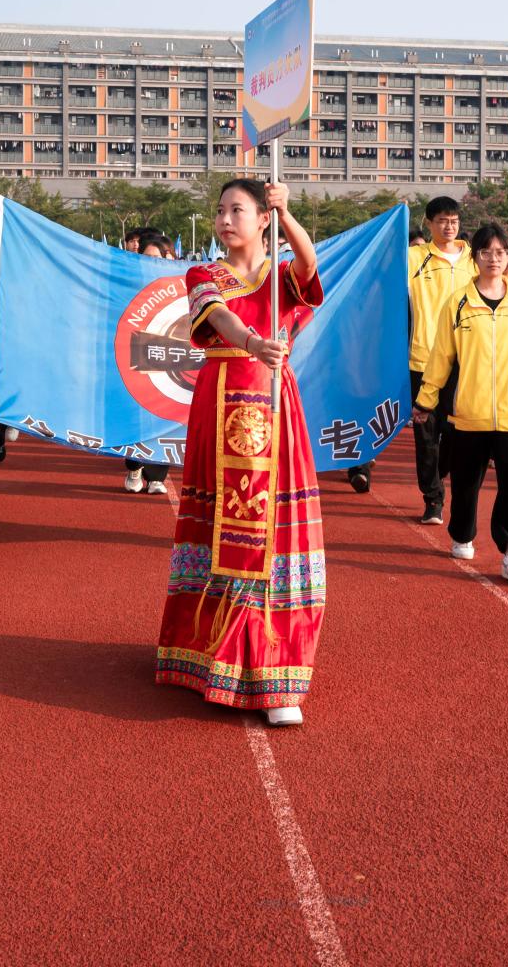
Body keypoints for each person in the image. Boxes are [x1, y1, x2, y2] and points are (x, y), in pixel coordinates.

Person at [154, 178, 325, 727]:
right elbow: (221, 319)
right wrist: (253, 342)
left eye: (239, 210)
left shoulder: (281, 277)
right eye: (221, 211)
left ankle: (276, 666)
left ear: (263, 218)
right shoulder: (203, 274)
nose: (226, 220)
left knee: (272, 525)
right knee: (224, 527)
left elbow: (309, 264)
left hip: (275, 404)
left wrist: (289, 214)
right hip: (222, 397)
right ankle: (213, 650)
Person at [414, 224, 508, 585]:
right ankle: (462, 533)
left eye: (500, 253)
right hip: (468, 412)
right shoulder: (458, 302)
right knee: (466, 481)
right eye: (486, 252)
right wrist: (426, 399)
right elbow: (441, 356)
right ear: (475, 258)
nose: (493, 259)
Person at [354, 195, 473, 514]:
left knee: (455, 431)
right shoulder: (412, 257)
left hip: (465, 360)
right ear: (429, 223)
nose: (449, 226)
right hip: (423, 358)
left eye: (454, 221)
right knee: (426, 433)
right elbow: (377, 272)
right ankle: (433, 498)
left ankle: (439, 475)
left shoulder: (473, 260)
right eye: (442, 221)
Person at [124, 232, 177, 495]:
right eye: (147, 257)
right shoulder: (128, 280)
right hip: (134, 356)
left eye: (158, 257)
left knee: (162, 415)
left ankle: (157, 476)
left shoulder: (178, 282)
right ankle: (134, 467)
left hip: (166, 356)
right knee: (136, 415)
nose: (153, 262)